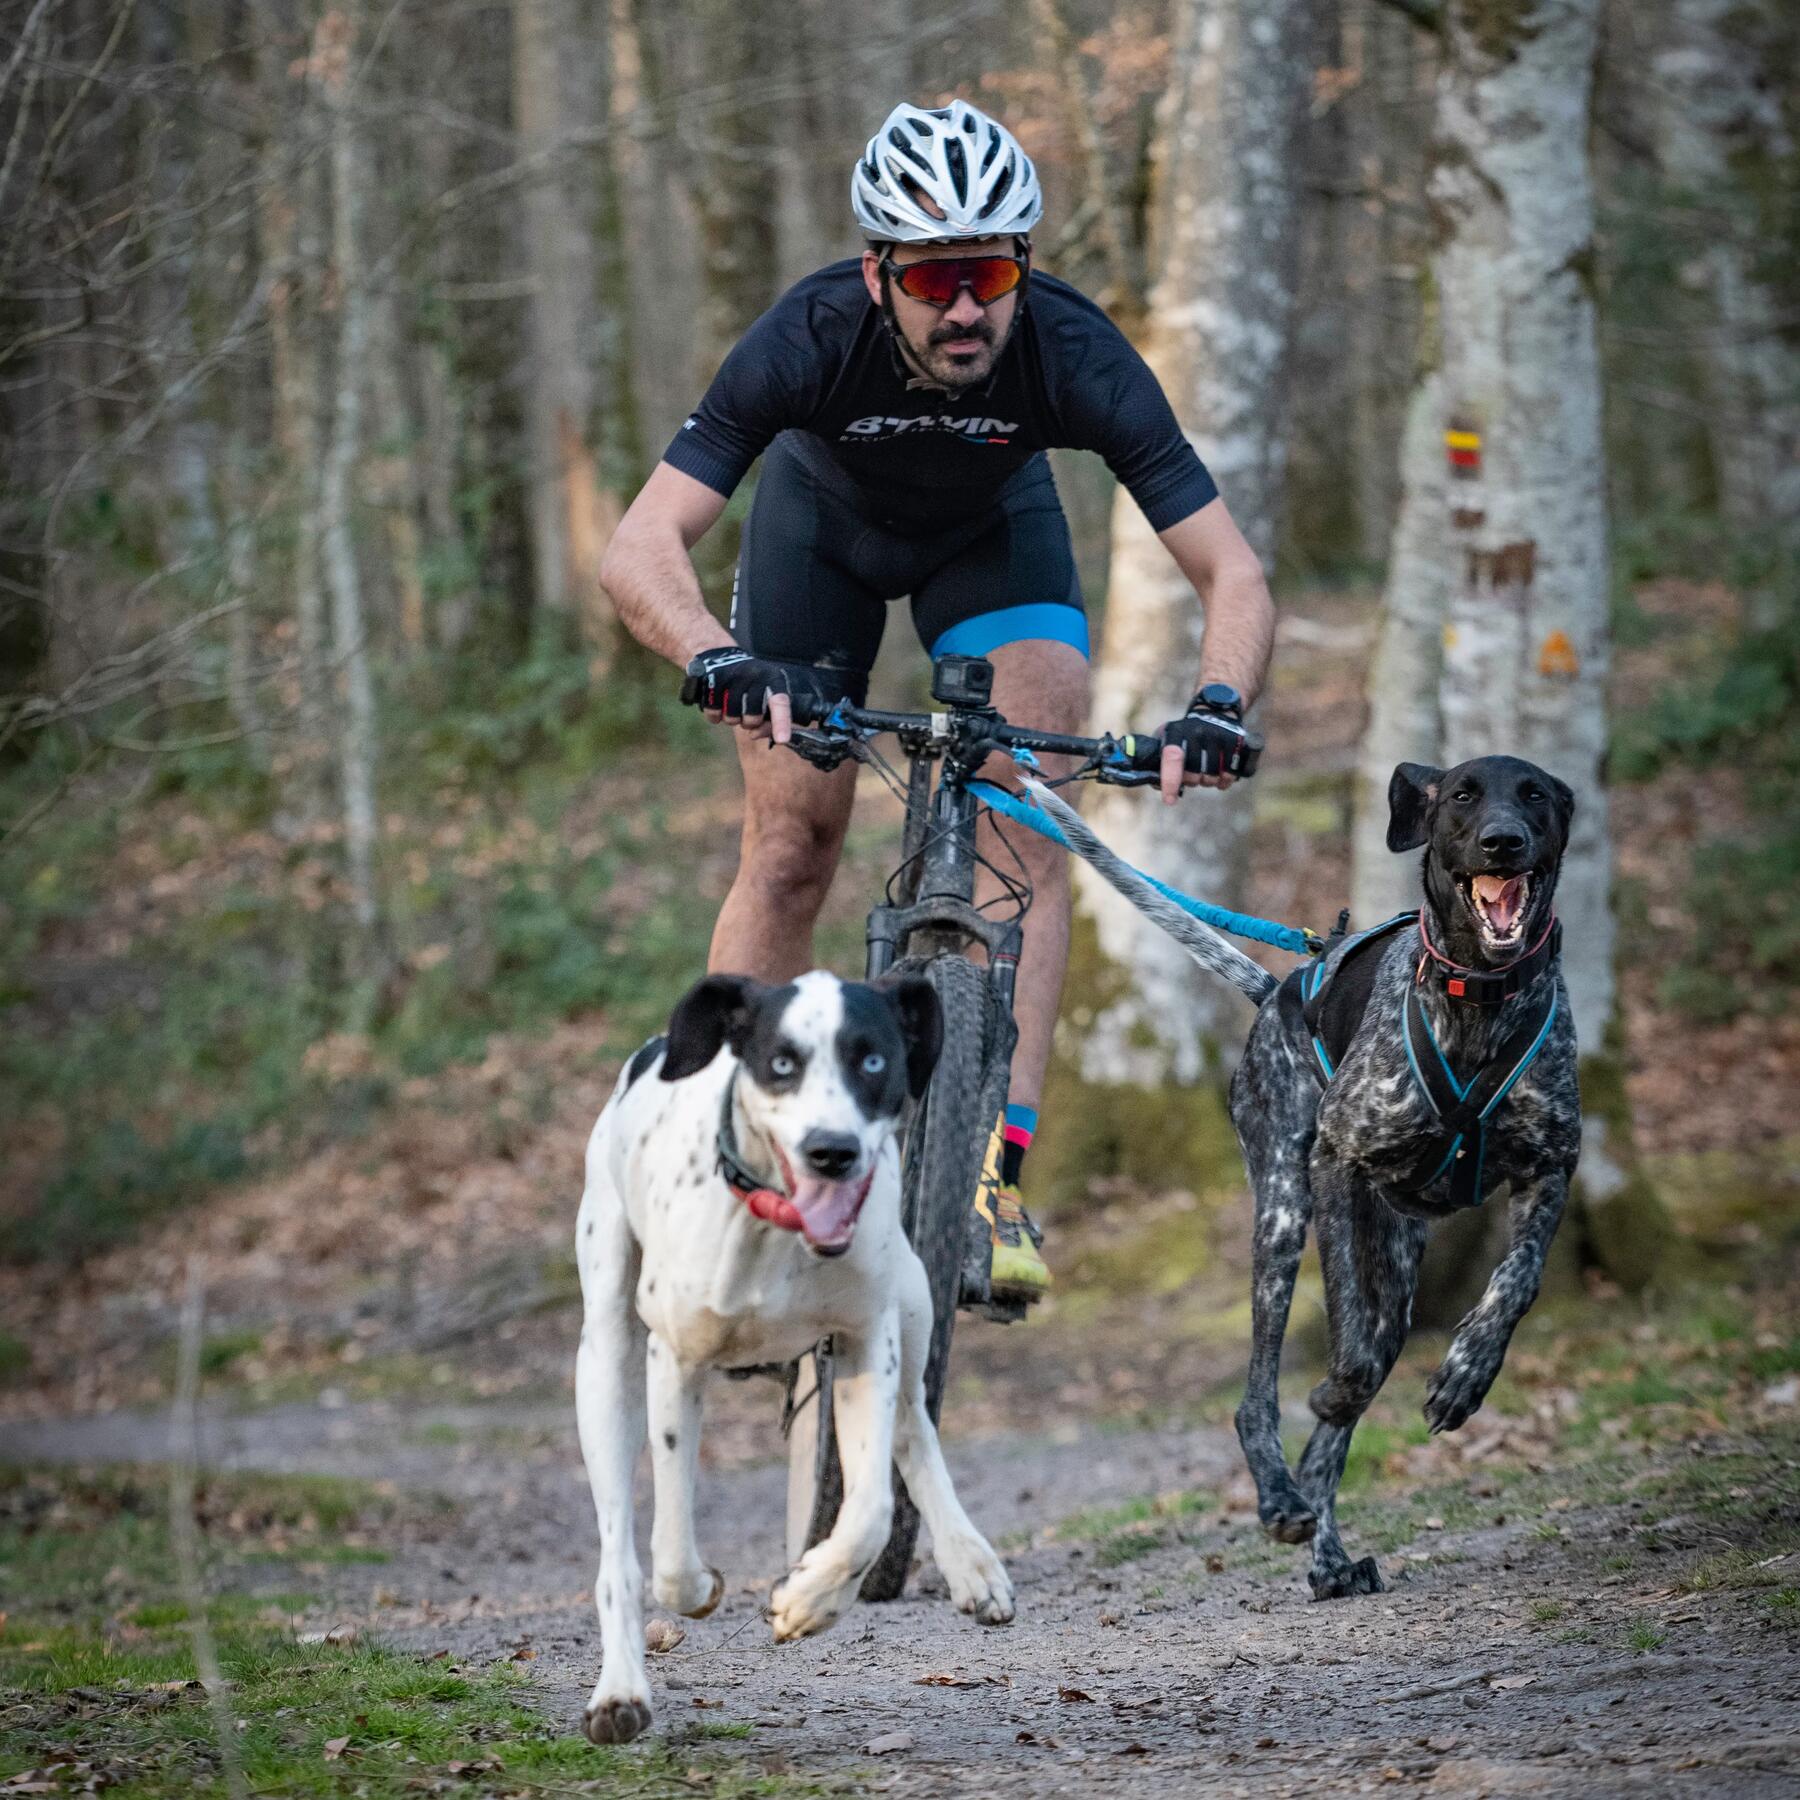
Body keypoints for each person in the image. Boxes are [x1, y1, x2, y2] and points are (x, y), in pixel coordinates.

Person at [598, 99, 1275, 1303]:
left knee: (1033, 816)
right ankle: (722, 1157)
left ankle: (993, 1181)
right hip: (823, 540)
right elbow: (640, 545)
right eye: (933, 278)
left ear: (1025, 267)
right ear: (878, 275)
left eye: (993, 271)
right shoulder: (805, 336)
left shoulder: (1073, 351)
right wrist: (714, 654)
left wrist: (1217, 701)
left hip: (992, 542)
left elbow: (1232, 572)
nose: (967, 306)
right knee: (794, 843)